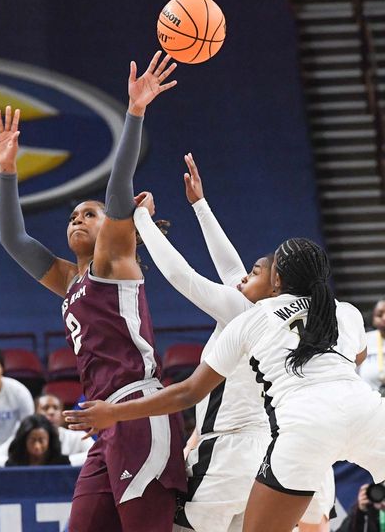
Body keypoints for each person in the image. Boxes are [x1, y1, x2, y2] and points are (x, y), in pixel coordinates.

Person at [0, 51, 186, 531]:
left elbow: (119, 191)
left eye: (88, 214)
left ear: (113, 227)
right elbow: (13, 239)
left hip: (140, 411)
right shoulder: (68, 278)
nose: (77, 219)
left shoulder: (115, 261)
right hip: (104, 424)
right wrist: (7, 171)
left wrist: (135, 111)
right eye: (72, 216)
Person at [65, 238, 385, 532]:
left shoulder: (251, 318)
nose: (244, 276)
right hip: (367, 413)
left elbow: (189, 391)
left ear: (276, 281)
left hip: (289, 433)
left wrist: (116, 413)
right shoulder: (345, 313)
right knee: (314, 524)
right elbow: (357, 358)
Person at [133, 157, 334, 531]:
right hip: (269, 453)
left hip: (229, 453)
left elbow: (183, 277)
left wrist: (141, 221)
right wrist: (200, 206)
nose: (243, 276)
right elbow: (230, 271)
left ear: (276, 284)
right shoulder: (294, 313)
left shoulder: (244, 311)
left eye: (255, 271)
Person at [37, 394, 93, 466]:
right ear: (35, 413)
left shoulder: (80, 437)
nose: (51, 412)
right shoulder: (27, 438)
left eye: (56, 408)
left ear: (62, 415)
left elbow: (96, 454)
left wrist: (66, 460)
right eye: (45, 408)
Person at [5, 414, 70, 467]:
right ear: (24, 441)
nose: (37, 446)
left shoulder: (62, 463)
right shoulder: (13, 464)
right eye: (32, 440)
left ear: (49, 440)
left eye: (41, 440)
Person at [359, 297, 385, 392]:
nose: (384, 318)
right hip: (369, 398)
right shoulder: (364, 339)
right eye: (379, 314)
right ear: (373, 318)